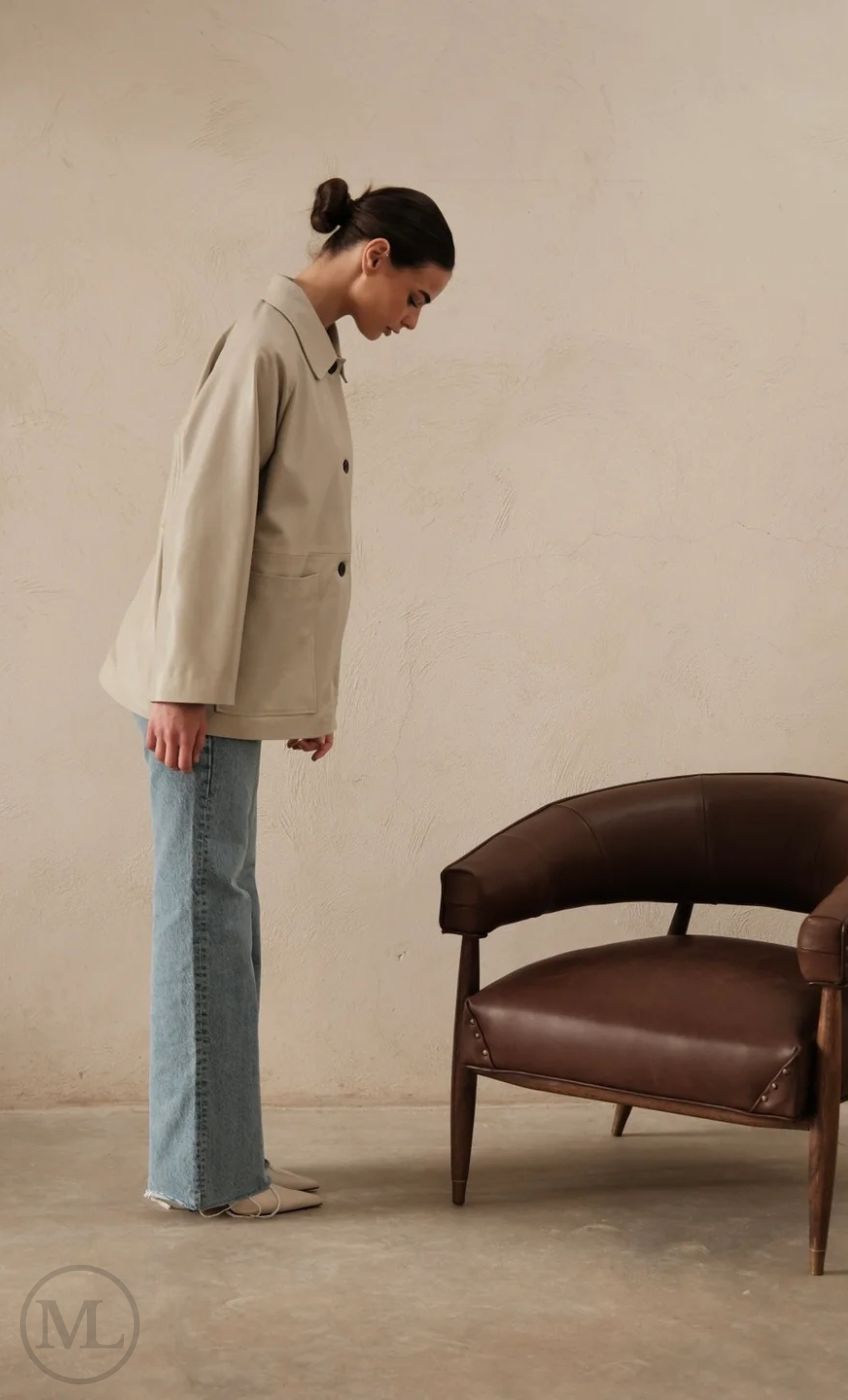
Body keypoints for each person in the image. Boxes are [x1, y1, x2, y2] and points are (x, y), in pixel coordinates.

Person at [98, 176, 454, 1218]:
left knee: (225, 914)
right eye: (418, 298)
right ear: (373, 255)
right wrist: (182, 687)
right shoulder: (267, 344)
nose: (414, 321)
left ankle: (228, 1155)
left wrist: (302, 694)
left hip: (219, 686)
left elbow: (288, 544)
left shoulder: (307, 344)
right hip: (190, 690)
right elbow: (205, 525)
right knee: (205, 915)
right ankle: (203, 1174)